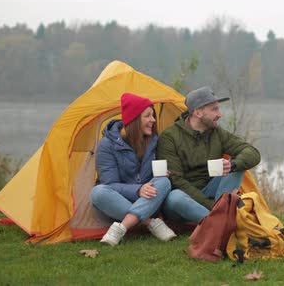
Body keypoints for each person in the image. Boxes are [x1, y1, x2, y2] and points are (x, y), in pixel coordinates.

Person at [157, 86, 261, 223]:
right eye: (214, 109)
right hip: (184, 200)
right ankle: (221, 220)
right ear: (198, 112)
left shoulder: (217, 133)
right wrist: (209, 205)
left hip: (214, 194)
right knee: (175, 197)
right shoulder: (170, 137)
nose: (219, 114)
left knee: (238, 165)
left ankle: (216, 219)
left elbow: (252, 153)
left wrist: (232, 165)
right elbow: (176, 181)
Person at [91, 92, 177, 246]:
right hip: (119, 201)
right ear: (134, 119)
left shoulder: (153, 140)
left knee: (163, 181)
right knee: (98, 192)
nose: (153, 120)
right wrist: (138, 190)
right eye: (148, 116)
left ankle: (121, 227)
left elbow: (153, 179)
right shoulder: (107, 145)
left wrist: (160, 175)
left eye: (153, 115)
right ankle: (150, 222)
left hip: (147, 198)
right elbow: (110, 184)